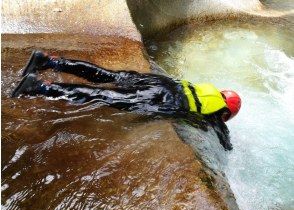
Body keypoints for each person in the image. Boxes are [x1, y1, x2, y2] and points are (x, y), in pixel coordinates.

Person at [12, 51, 241, 150]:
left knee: (107, 76)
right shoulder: (217, 120)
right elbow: (226, 144)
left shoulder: (206, 91)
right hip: (165, 98)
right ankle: (39, 87)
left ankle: (48, 62)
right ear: (226, 114)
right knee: (104, 96)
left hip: (162, 83)